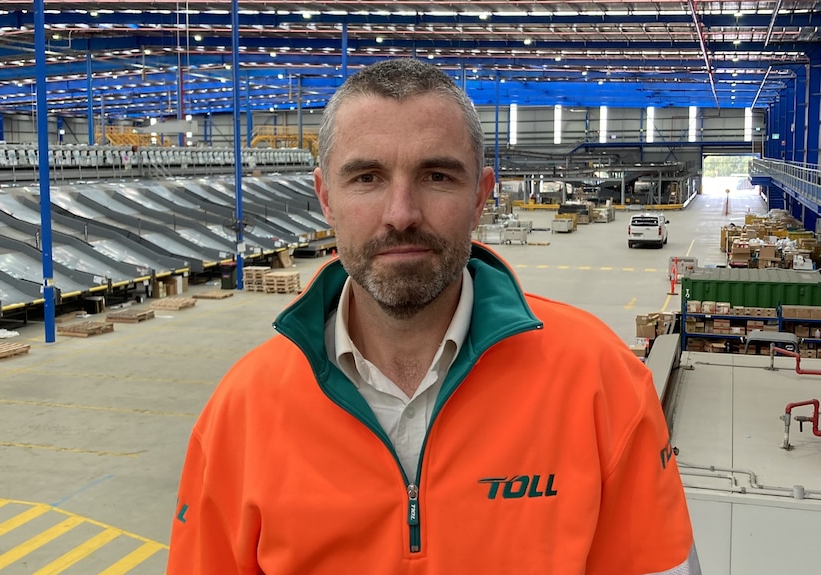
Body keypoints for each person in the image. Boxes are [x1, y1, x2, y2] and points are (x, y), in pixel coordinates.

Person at [166, 58, 701, 575]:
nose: (402, 214)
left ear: (480, 197)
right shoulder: (241, 413)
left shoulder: (599, 382)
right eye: (367, 178)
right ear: (326, 199)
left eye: (437, 176)